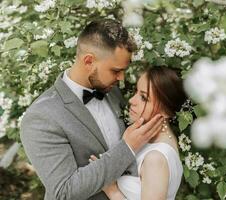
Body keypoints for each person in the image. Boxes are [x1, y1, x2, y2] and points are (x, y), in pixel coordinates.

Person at [20, 19, 164, 200]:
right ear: (88, 61)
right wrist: (128, 147)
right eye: (115, 70)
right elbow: (64, 192)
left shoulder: (111, 91)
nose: (121, 78)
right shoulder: (41, 117)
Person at [90, 66, 187, 200]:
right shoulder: (153, 141)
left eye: (144, 98)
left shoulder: (155, 158)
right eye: (136, 92)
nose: (131, 101)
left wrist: (112, 190)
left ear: (166, 111)